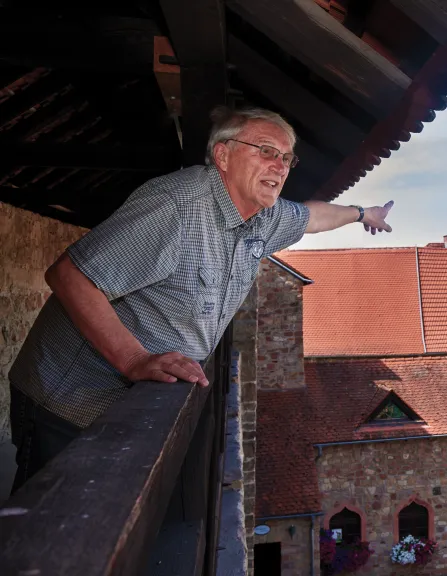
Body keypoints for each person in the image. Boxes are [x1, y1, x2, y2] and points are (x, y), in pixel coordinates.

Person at [6, 106, 393, 492]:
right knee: (49, 519)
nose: (279, 166)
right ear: (223, 154)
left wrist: (364, 213)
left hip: (134, 411)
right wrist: (134, 359)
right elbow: (70, 276)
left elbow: (313, 217)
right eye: (265, 151)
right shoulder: (176, 205)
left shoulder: (264, 216)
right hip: (68, 404)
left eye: (287, 158)